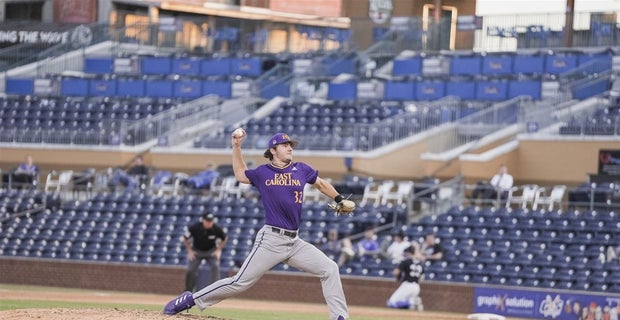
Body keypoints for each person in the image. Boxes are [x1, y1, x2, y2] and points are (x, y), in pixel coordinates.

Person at [164, 132, 352, 320]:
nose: (290, 148)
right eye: (284, 145)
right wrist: (236, 146)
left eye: (291, 145)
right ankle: (190, 299)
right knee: (239, 282)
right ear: (273, 150)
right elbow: (240, 174)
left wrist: (339, 198)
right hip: (271, 239)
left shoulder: (301, 169)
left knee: (330, 268)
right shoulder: (263, 172)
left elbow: (320, 184)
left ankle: (339, 317)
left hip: (294, 242)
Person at [183, 212, 228, 292]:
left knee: (215, 266)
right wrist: (190, 251)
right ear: (203, 220)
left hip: (211, 251)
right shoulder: (195, 227)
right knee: (191, 270)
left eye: (211, 221)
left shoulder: (216, 228)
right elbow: (185, 237)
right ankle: (188, 292)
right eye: (207, 221)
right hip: (197, 251)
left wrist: (218, 250)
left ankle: (215, 291)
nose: (209, 223)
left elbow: (224, 238)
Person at [386, 246, 424, 310]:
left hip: (407, 285)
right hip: (417, 287)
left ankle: (413, 302)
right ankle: (411, 302)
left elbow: (396, 272)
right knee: (408, 307)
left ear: (408, 253)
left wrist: (397, 277)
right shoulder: (420, 263)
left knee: (391, 303)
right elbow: (421, 279)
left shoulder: (406, 261)